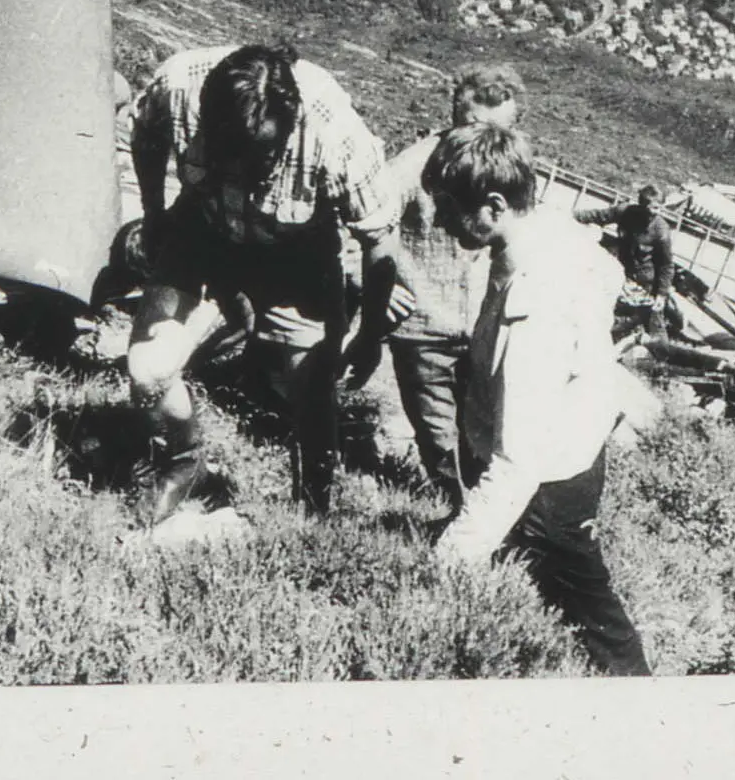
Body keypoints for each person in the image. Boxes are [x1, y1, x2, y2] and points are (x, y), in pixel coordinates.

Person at [128, 43, 398, 521]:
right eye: (228, 148)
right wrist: (153, 214)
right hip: (203, 224)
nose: (243, 167)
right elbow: (146, 133)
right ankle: (182, 461)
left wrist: (372, 334)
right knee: (147, 363)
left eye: (260, 151)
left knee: (311, 377)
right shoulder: (178, 84)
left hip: (296, 247)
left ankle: (313, 500)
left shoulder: (333, 133)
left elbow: (379, 238)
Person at [424, 123, 651, 677]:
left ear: (494, 206)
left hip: (548, 482)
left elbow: (518, 460)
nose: (439, 221)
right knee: (552, 589)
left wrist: (446, 559)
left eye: (450, 208)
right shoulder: (551, 231)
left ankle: (640, 700)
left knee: (587, 605)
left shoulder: (535, 306)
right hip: (570, 444)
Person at [356, 63, 524, 506]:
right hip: (424, 328)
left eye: (497, 130)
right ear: (454, 115)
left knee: (490, 430)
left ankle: (491, 516)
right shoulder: (414, 167)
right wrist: (376, 284)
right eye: (471, 125)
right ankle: (456, 513)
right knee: (439, 437)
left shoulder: (509, 173)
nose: (480, 140)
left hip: (487, 326)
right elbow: (355, 225)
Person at [575, 183, 677, 340]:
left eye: (657, 209)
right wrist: (570, 216)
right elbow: (597, 215)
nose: (653, 213)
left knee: (656, 329)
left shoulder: (661, 231)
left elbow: (666, 265)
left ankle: (662, 349)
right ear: (640, 205)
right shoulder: (624, 212)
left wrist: (661, 295)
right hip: (621, 272)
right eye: (649, 208)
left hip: (646, 283)